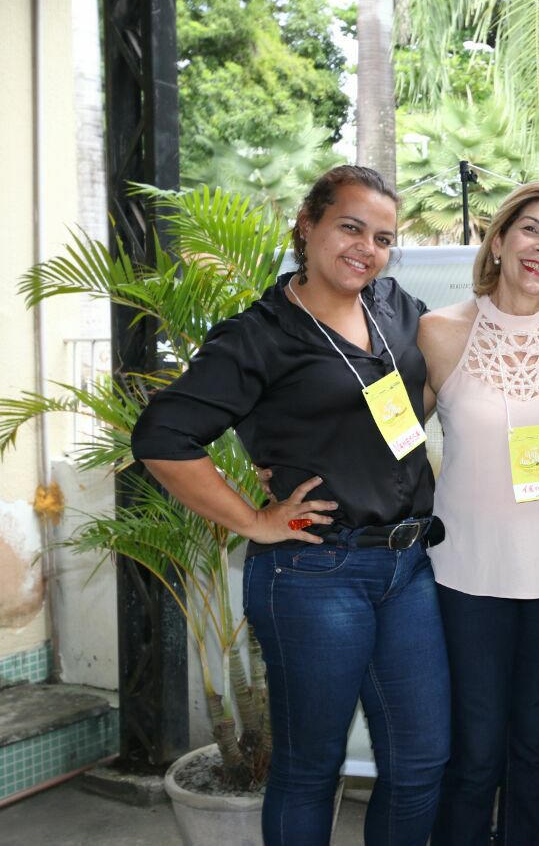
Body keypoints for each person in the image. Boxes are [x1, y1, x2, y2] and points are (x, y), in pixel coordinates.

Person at [132, 166, 448, 846]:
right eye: (350, 227)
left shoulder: (394, 306)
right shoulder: (260, 334)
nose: (367, 248)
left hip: (407, 568)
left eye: (383, 238)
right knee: (310, 769)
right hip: (315, 574)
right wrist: (253, 520)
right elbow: (161, 436)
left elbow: (414, 397)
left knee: (421, 761)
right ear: (307, 226)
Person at [416, 181, 539, 846]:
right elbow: (387, 435)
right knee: (473, 753)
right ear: (499, 240)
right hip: (465, 577)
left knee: (534, 752)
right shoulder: (438, 332)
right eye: (531, 230)